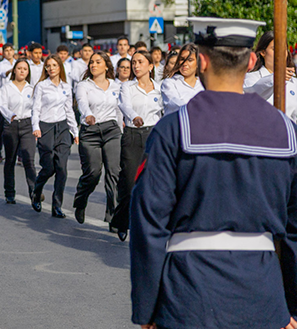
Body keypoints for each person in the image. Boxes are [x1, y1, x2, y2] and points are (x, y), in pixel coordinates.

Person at [130, 17, 297, 329]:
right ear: (251, 61)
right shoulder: (287, 132)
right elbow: (295, 229)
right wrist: (291, 307)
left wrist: (147, 306)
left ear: (202, 61)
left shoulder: (173, 130)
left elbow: (149, 223)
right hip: (263, 297)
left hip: (187, 297)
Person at [110, 50, 161, 241]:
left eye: (140, 62)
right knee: (131, 183)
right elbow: (124, 105)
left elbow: (166, 109)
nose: (136, 66)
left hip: (153, 136)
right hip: (132, 136)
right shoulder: (127, 87)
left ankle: (149, 225)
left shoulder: (160, 88)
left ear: (150, 66)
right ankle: (121, 221)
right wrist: (134, 117)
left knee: (152, 184)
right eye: (134, 63)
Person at [72, 52, 122, 225]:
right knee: (93, 173)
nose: (93, 65)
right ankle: (80, 201)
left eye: (98, 62)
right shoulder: (83, 85)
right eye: (91, 62)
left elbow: (120, 110)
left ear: (106, 66)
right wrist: (88, 114)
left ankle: (113, 215)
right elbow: (82, 103)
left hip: (112, 131)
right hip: (90, 131)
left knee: (114, 172)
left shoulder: (117, 86)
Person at [30, 55, 78, 218]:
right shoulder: (42, 86)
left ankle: (57, 205)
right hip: (45, 127)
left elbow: (69, 109)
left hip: (63, 128)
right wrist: (36, 127)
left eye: (54, 65)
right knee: (49, 167)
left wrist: (75, 131)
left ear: (60, 68)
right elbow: (35, 109)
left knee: (62, 169)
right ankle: (37, 191)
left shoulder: (66, 86)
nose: (51, 68)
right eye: (48, 66)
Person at [0, 59, 36, 204]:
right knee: (11, 160)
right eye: (19, 68)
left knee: (29, 159)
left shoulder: (31, 89)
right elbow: (1, 104)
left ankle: (34, 192)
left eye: (25, 69)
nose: (22, 71)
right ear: (14, 70)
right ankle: (9, 192)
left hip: (27, 125)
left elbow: (36, 108)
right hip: (11, 125)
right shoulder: (7, 88)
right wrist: (9, 115)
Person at [244, 31, 296, 103]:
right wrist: (275, 78)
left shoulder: (294, 82)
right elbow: (250, 96)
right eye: (275, 49)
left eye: (284, 49)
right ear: (263, 52)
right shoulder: (251, 78)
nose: (280, 53)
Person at [160, 43, 203, 114]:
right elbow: (175, 103)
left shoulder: (203, 84)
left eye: (190, 60)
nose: (185, 63)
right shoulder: (169, 83)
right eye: (182, 59)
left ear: (198, 63)